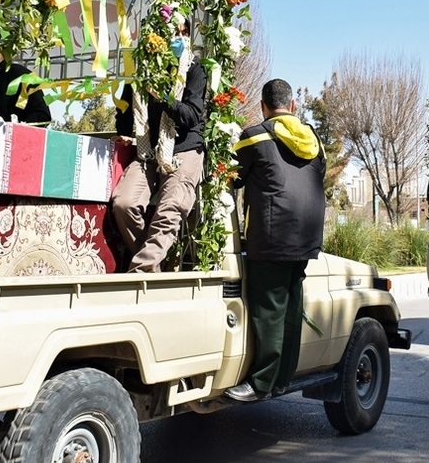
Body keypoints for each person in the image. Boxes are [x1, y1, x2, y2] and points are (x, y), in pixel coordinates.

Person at [225, 79, 326, 402]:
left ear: (263, 107)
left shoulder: (255, 136)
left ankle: (261, 383)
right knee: (292, 306)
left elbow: (232, 177)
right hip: (306, 234)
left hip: (271, 233)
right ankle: (283, 379)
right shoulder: (314, 140)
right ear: (292, 106)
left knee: (269, 309)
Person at [111, 21, 205, 273]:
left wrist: (164, 98)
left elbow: (192, 116)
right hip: (148, 151)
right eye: (164, 32)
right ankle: (155, 268)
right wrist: (124, 134)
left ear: (185, 35)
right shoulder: (139, 73)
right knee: (124, 204)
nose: (172, 37)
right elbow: (125, 114)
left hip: (184, 149)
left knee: (169, 207)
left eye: (178, 32)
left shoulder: (193, 70)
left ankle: (140, 273)